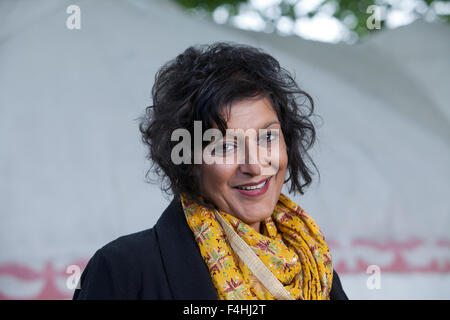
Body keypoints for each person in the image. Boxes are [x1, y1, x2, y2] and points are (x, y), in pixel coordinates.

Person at [73, 42, 348, 300]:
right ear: (188, 160)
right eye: (226, 146)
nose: (254, 165)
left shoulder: (312, 264)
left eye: (267, 137)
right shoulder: (124, 271)